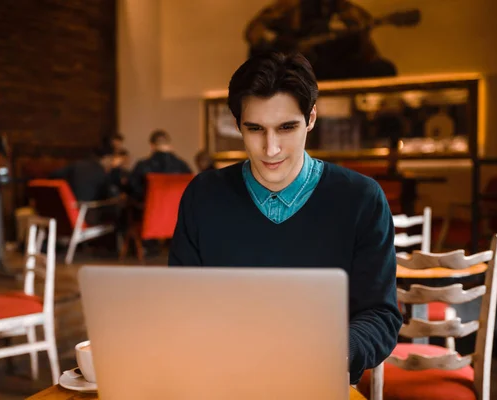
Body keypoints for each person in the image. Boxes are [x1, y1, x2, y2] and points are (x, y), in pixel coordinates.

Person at [168, 52, 401, 384]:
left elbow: (380, 315)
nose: (271, 148)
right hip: (222, 379)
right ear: (238, 126)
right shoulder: (202, 196)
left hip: (318, 378)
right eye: (255, 129)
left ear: (311, 119)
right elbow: (181, 303)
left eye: (287, 128)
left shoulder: (361, 199)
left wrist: (333, 350)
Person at [245, 0, 398, 80]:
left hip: (335, 71)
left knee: (384, 68)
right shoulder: (291, 6)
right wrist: (283, 45)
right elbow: (254, 33)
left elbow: (368, 53)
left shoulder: (349, 12)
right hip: (297, 71)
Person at [127, 130, 192, 204]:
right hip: (176, 210)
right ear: (169, 145)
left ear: (152, 145)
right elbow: (191, 189)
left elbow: (132, 188)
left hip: (151, 210)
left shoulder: (142, 166)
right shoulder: (182, 166)